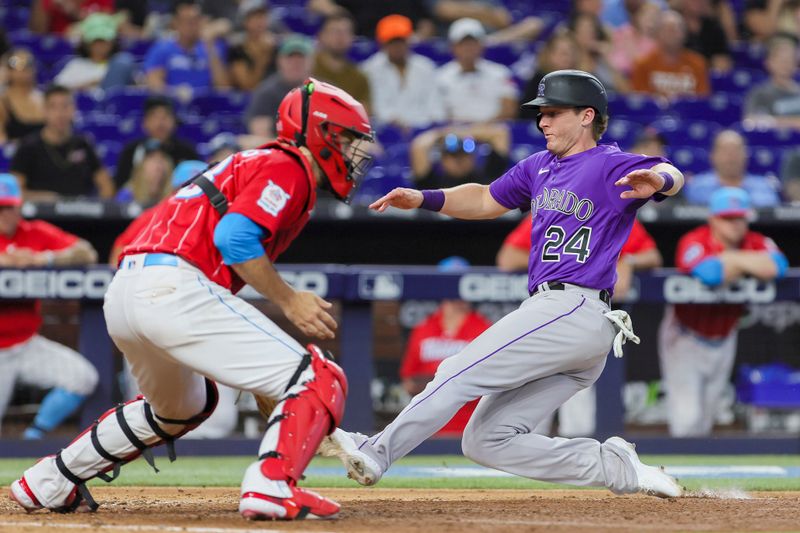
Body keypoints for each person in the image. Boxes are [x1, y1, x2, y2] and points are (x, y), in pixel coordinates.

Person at [10, 78, 375, 521]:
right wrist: (289, 299)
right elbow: (235, 239)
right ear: (315, 132)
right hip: (175, 285)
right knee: (322, 377)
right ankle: (272, 484)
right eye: (345, 138)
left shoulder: (258, 162)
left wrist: (264, 380)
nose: (353, 151)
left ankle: (51, 480)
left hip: (128, 291)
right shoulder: (288, 164)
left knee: (180, 408)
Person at [320, 69, 685, 498]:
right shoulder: (539, 166)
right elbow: (484, 198)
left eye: (553, 112)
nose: (543, 121)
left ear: (587, 116)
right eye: (540, 114)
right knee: (486, 441)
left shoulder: (608, 163)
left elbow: (672, 173)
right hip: (570, 321)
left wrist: (660, 181)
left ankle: (376, 451)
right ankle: (613, 467)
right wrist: (425, 198)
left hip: (574, 306)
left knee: (457, 371)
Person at [496, 216, 662, 437]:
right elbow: (507, 258)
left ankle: (568, 466)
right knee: (527, 421)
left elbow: (653, 256)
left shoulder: (609, 210)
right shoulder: (551, 207)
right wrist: (571, 267)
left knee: (579, 426)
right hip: (542, 319)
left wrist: (626, 261)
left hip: (581, 321)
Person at [659, 187, 788, 437]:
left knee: (706, 419)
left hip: (725, 337)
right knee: (687, 421)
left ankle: (695, 475)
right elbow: (710, 274)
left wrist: (730, 260)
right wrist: (748, 262)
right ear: (713, 219)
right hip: (685, 336)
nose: (735, 225)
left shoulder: (757, 240)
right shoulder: (694, 240)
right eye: (728, 218)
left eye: (739, 217)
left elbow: (778, 266)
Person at [0, 173, 99, 439]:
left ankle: (32, 438)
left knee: (82, 377)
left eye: (10, 207)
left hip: (26, 343)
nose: (6, 214)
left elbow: (86, 252)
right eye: (0, 208)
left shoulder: (33, 232)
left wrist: (43, 258)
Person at [399, 257, 493, 435]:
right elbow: (409, 382)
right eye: (449, 281)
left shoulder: (484, 328)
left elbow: (487, 380)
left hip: (471, 428)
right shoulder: (424, 327)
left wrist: (436, 381)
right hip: (427, 429)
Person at [10, 85, 114, 200]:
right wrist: (43, 198)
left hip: (80, 213)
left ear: (73, 109)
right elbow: (14, 192)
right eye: (53, 107)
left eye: (65, 106)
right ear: (44, 110)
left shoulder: (83, 144)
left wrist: (95, 209)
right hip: (40, 213)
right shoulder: (28, 147)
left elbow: (107, 186)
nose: (60, 113)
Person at [361, 14, 444, 129]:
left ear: (409, 40)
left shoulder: (426, 67)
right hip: (387, 131)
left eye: (401, 41)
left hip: (423, 129)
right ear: (382, 43)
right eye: (392, 42)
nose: (397, 46)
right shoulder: (369, 69)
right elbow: (376, 109)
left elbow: (436, 107)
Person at [436, 18, 518, 123]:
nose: (468, 48)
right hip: (455, 131)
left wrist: (483, 127)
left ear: (482, 45)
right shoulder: (441, 77)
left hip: (493, 130)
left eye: (473, 43)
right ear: (453, 47)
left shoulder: (500, 73)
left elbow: (509, 109)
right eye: (463, 44)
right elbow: (439, 113)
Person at [143, 0, 229, 96]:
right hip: (172, 103)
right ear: (176, 23)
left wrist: (210, 46)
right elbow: (154, 83)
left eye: (195, 21)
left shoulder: (212, 47)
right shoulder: (162, 49)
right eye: (187, 22)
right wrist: (176, 95)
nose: (192, 26)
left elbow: (223, 88)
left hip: (206, 104)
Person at [114, 96, 199, 190]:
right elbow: (120, 187)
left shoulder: (187, 151)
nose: (160, 123)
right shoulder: (131, 151)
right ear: (144, 122)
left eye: (166, 117)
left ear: (174, 121)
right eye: (154, 117)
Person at [683, 130, 782, 208]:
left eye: (736, 150)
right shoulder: (697, 187)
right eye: (725, 151)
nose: (731, 157)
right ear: (712, 156)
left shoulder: (764, 187)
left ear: (746, 155)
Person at [244, 34, 314, 138]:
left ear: (311, 62)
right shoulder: (267, 92)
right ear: (279, 61)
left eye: (301, 58)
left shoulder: (323, 90)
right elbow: (260, 133)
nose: (295, 63)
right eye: (290, 58)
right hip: (280, 149)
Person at [630, 10, 710, 100]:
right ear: (657, 33)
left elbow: (702, 101)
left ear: (684, 34)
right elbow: (641, 102)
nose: (672, 34)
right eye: (668, 29)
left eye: (676, 29)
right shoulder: (642, 64)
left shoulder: (698, 63)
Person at [410, 122, 510, 189]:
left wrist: (460, 133)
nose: (460, 161)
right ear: (443, 160)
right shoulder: (432, 183)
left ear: (472, 157)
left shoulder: (487, 177)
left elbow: (500, 133)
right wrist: (443, 133)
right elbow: (419, 146)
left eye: (464, 155)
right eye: (454, 156)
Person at [53, 12, 136, 91]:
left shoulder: (121, 64)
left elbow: (138, 87)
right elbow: (56, 90)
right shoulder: (76, 65)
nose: (100, 45)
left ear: (112, 42)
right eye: (96, 41)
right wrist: (90, 83)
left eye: (104, 40)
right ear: (86, 43)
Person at [312, 13, 371, 112]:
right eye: (334, 31)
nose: (340, 37)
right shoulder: (308, 68)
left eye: (346, 32)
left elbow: (364, 112)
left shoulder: (359, 77)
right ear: (321, 36)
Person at [743, 33, 800, 131]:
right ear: (769, 63)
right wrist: (792, 123)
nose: (786, 64)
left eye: (790, 60)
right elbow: (750, 122)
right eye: (781, 60)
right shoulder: (759, 94)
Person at [519, 32, 580, 121]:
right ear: (549, 55)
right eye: (562, 53)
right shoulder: (539, 81)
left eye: (571, 53)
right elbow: (529, 114)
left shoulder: (581, 81)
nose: (567, 57)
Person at [227, 0, 277, 91]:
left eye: (262, 17)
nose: (260, 22)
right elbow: (247, 86)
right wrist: (263, 56)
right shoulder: (237, 48)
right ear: (245, 21)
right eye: (255, 17)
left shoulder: (276, 46)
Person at [0, 49, 45, 145]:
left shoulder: (44, 98)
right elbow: (1, 140)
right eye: (19, 66)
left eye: (28, 65)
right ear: (9, 72)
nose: (25, 71)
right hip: (17, 155)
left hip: (46, 154)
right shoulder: (3, 101)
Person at [115, 141, 175, 206]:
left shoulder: (172, 196)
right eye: (152, 158)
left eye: (162, 158)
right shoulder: (127, 196)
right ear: (140, 166)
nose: (158, 165)